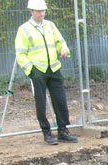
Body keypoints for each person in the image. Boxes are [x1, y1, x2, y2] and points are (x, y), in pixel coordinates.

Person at [15, 0, 77, 145]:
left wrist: (64, 49)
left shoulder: (50, 25)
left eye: (43, 11)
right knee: (41, 102)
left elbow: (60, 42)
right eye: (38, 11)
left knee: (60, 100)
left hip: (54, 68)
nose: (41, 14)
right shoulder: (24, 29)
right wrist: (31, 71)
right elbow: (20, 54)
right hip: (38, 71)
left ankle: (63, 130)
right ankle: (46, 132)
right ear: (31, 11)